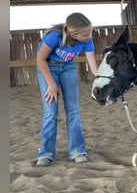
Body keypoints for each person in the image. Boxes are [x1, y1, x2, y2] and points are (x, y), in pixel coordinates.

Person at [35, 12, 99, 167]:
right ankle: (46, 153)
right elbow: (40, 59)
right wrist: (51, 84)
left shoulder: (87, 41)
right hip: (48, 67)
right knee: (51, 112)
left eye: (90, 31)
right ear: (73, 33)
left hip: (68, 68)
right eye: (85, 34)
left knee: (73, 110)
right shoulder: (54, 37)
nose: (89, 36)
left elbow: (94, 68)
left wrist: (103, 81)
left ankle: (77, 151)